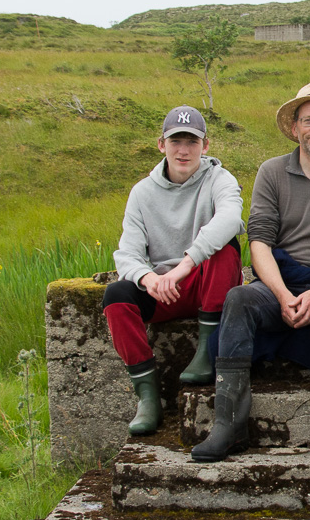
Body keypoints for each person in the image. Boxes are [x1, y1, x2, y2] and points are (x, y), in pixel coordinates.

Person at [191, 82, 310, 464]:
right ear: (294, 127)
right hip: (282, 279)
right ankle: (227, 424)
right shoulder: (271, 172)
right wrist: (281, 294)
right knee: (239, 297)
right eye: (308, 120)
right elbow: (258, 242)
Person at [101, 105, 244, 435]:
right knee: (117, 295)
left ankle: (207, 351)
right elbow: (127, 253)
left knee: (224, 246)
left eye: (192, 142)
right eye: (176, 141)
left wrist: (184, 266)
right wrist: (150, 278)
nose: (183, 150)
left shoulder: (220, 179)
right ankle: (148, 397)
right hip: (164, 289)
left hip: (203, 283)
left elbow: (228, 219)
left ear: (205, 146)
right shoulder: (141, 193)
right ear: (161, 144)